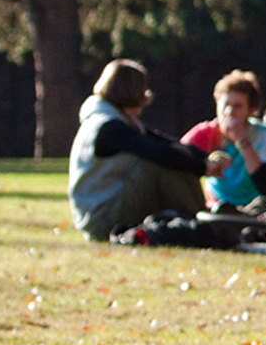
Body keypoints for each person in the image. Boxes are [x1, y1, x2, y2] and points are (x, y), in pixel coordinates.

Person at [68, 60, 220, 240]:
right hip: (102, 221)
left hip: (112, 209)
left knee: (173, 157)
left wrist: (205, 159)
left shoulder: (117, 119)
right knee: (158, 164)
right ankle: (205, 226)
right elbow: (159, 152)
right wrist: (203, 167)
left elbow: (164, 142)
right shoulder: (108, 127)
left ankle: (203, 220)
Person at [180, 70, 266, 209]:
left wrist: (242, 141)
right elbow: (178, 159)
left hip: (258, 207)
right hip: (217, 206)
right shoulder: (205, 133)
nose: (229, 112)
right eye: (225, 105)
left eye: (238, 106)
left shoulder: (264, 135)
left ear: (251, 110)